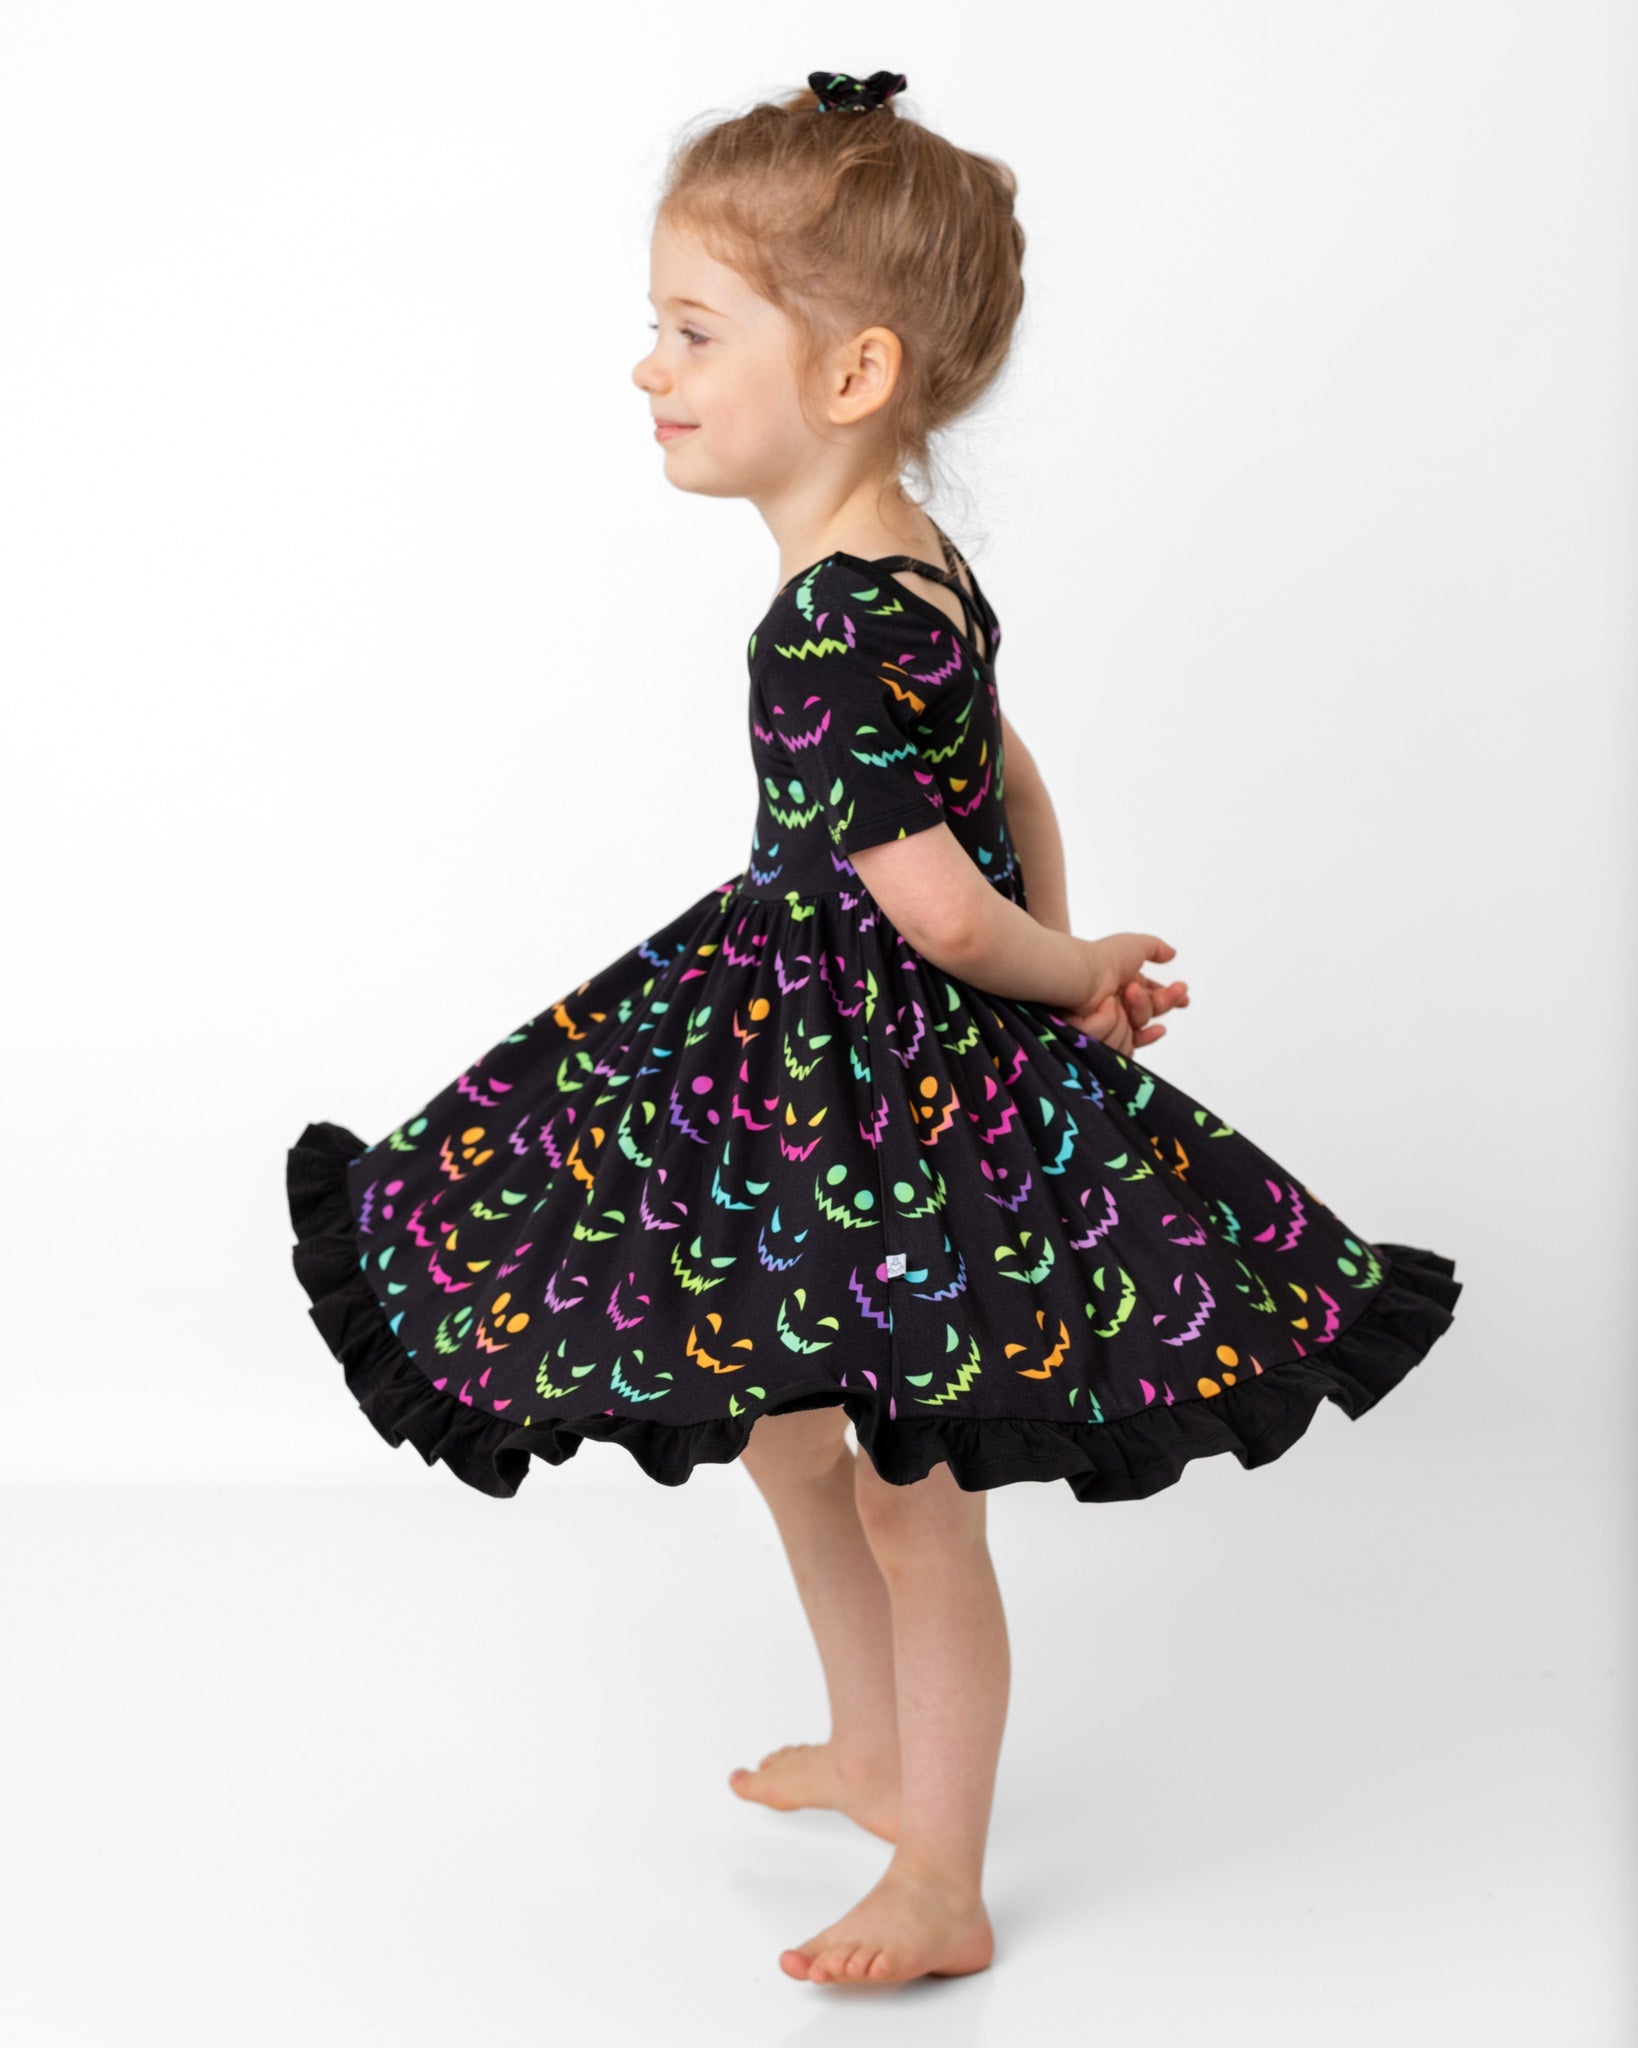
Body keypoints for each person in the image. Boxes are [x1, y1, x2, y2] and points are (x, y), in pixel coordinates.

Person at [287, 66, 1463, 1991]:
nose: (647, 367)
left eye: (691, 331)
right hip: (825, 1063)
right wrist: (1067, 954)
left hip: (883, 1084)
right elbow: (1006, 776)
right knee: (782, 1426)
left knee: (914, 1493)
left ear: (849, 374)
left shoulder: (823, 622)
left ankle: (940, 1876)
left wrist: (1048, 969)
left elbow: (931, 905)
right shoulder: (914, 559)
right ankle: (871, 1744)